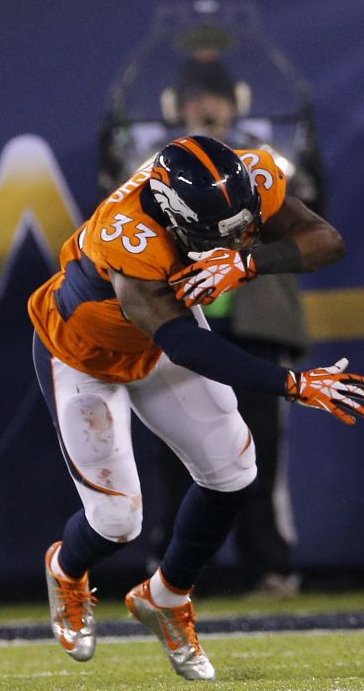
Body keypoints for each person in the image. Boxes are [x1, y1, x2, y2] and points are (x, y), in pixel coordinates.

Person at [29, 135, 364, 680]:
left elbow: (326, 241)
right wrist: (290, 383)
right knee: (118, 521)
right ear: (172, 213)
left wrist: (249, 260)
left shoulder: (248, 178)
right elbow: (186, 344)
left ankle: (166, 596)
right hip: (84, 354)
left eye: (243, 225)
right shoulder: (130, 232)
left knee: (235, 473)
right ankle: (67, 569)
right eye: (221, 233)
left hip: (158, 339)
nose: (233, 236)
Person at [140, 56, 328, 598]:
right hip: (178, 318)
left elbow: (314, 223)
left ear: (236, 102)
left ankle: (269, 564)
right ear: (176, 106)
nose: (205, 107)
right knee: (177, 446)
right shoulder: (152, 162)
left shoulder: (268, 158)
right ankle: (173, 565)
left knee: (260, 447)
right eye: (194, 97)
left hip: (254, 317)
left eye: (214, 96)